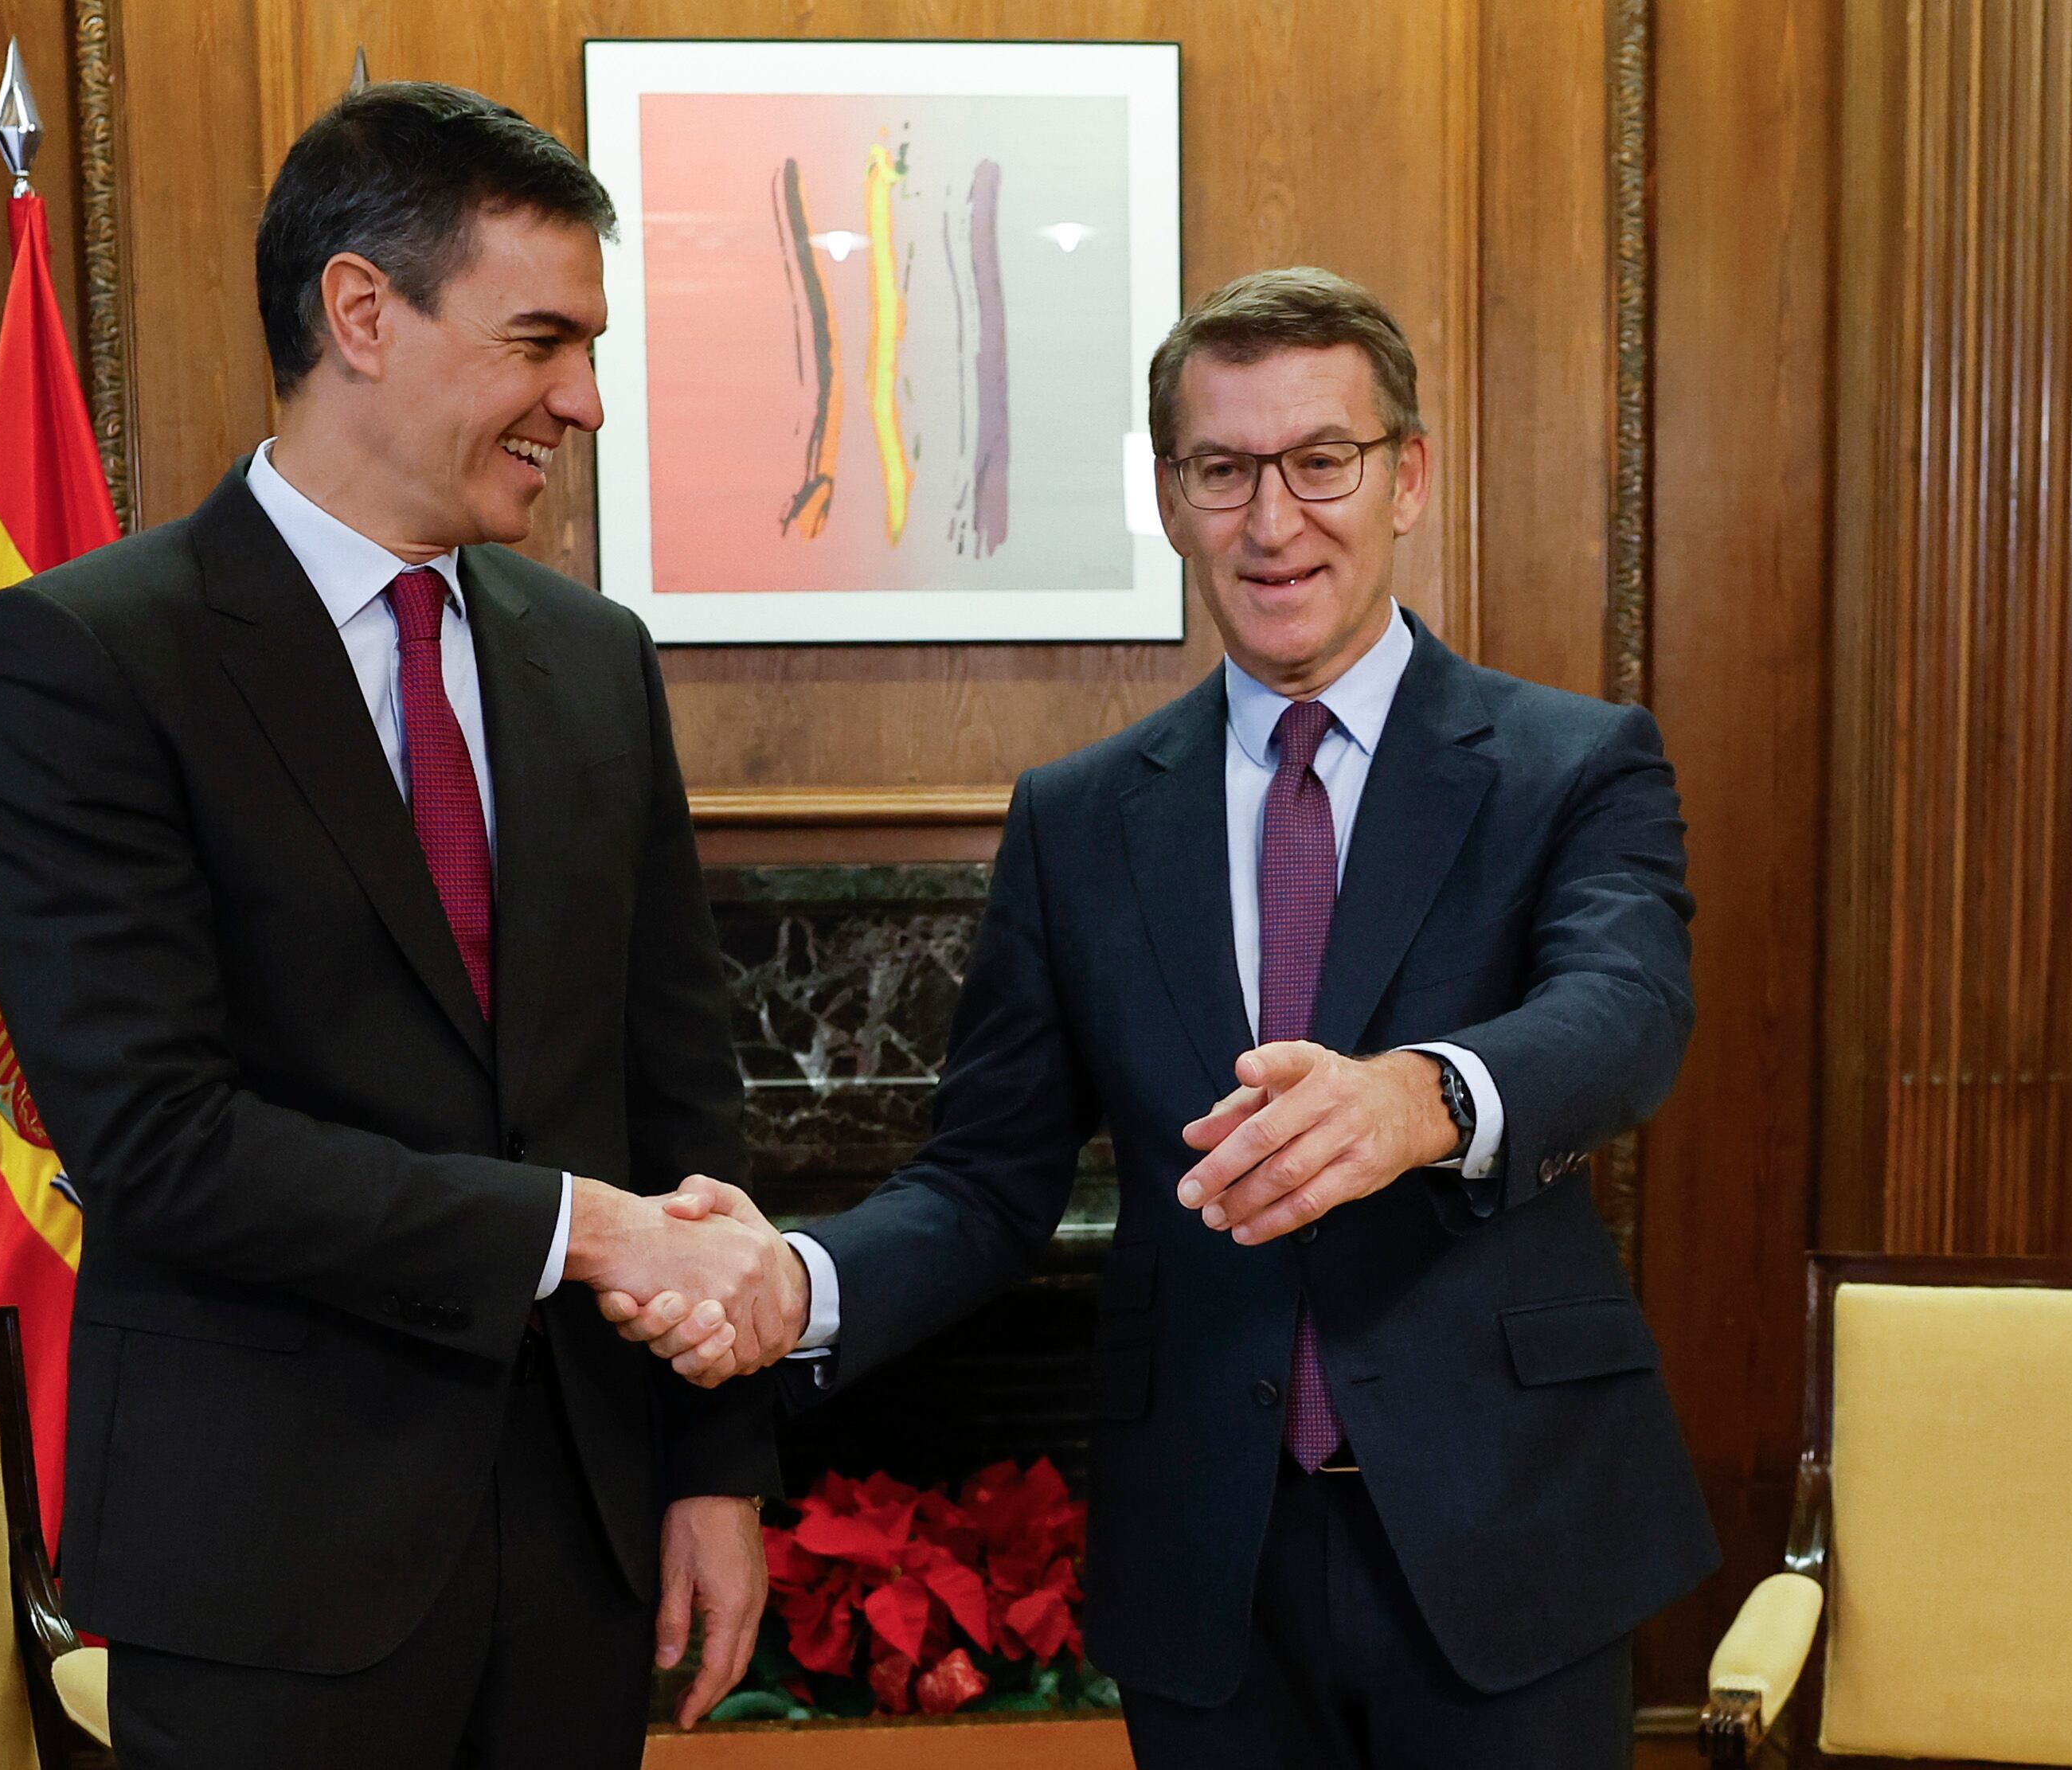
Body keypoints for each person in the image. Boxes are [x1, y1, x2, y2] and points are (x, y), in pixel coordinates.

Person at [609, 268, 1718, 1768]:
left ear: (1410, 476)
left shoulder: (1570, 764)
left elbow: (1627, 1006)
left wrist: (1422, 1098)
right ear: (1172, 493)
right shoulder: (1078, 821)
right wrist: (793, 1283)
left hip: (1508, 1531)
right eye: (1222, 470)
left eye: (1320, 461)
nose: (1274, 522)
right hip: (1207, 1553)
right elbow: (983, 1182)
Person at [0, 81, 803, 1769]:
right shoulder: (90, 657)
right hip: (272, 1560)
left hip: (574, 1551)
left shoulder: (592, 655)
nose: (583, 399)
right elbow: (162, 1142)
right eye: (539, 341)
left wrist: (712, 1467)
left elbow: (676, 1092)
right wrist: (587, 1231)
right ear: (361, 311)